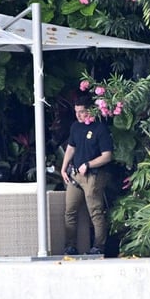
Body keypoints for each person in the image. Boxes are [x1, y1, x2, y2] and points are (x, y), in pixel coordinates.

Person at [60, 96, 113, 255]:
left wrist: (89, 164)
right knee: (70, 211)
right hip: (75, 175)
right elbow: (71, 148)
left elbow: (107, 155)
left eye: (82, 112)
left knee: (95, 212)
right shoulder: (75, 127)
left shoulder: (100, 129)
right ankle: (70, 246)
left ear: (90, 111)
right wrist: (63, 168)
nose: (79, 115)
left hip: (93, 175)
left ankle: (98, 246)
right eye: (76, 112)